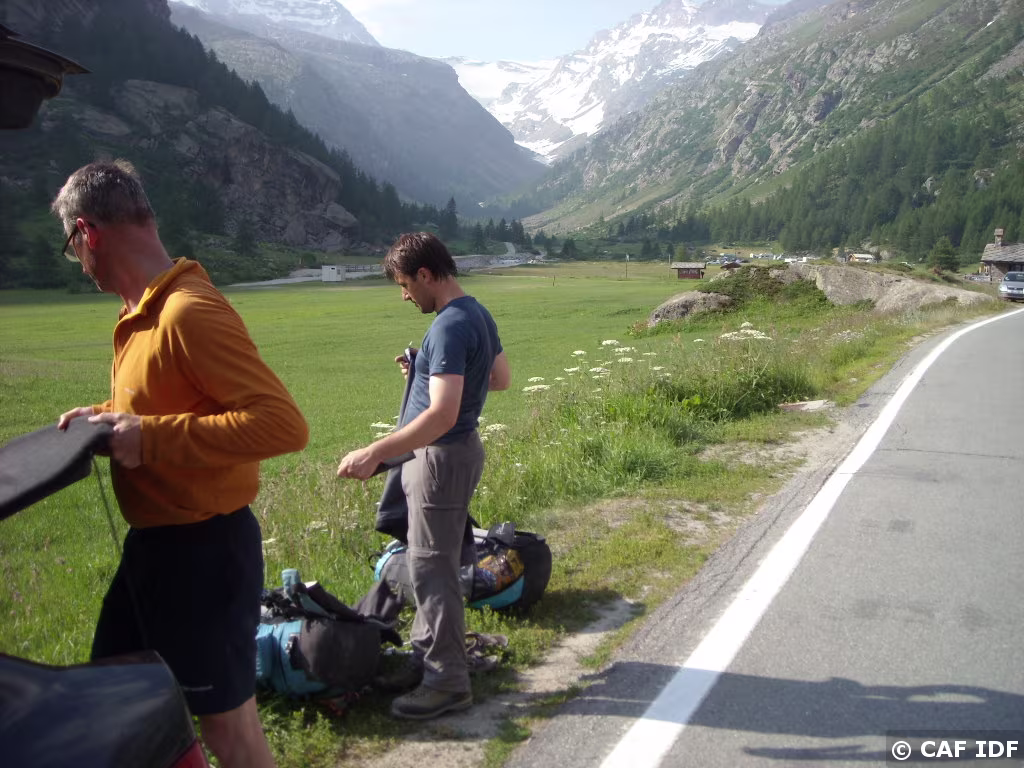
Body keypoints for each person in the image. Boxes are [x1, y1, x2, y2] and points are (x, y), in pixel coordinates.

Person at [52, 160, 308, 768]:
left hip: (204, 554)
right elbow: (165, 405)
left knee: (230, 733)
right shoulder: (139, 313)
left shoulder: (187, 311)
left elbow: (283, 425)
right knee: (114, 701)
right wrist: (106, 417)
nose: (77, 262)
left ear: (87, 233)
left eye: (71, 247)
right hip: (154, 551)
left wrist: (150, 438)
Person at [337, 231, 510, 720]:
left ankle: (446, 682)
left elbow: (442, 415)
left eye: (405, 284)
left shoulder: (448, 326)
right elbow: (499, 378)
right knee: (429, 564)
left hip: (439, 459)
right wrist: (426, 372)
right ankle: (425, 656)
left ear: (426, 274)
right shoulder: (477, 313)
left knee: (433, 574)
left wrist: (375, 451)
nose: (404, 295)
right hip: (455, 455)